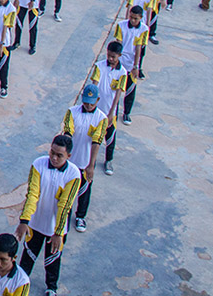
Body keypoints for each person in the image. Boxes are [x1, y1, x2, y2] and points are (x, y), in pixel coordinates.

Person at [16, 135, 81, 296]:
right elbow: (32, 195)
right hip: (35, 223)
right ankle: (19, 286)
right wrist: (25, 220)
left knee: (53, 259)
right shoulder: (38, 164)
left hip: (56, 227)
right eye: (52, 152)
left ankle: (51, 288)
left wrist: (58, 232)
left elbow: (65, 205)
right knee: (28, 256)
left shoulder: (74, 174)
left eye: (59, 155)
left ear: (68, 156)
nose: (54, 158)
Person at [63, 84, 107, 233]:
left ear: (98, 100)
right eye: (86, 102)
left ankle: (80, 216)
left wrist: (91, 165)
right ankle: (64, 214)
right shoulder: (72, 112)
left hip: (85, 161)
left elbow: (96, 142)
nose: (88, 106)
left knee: (84, 191)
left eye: (91, 103)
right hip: (70, 160)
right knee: (66, 190)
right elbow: (68, 132)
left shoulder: (101, 118)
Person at [89, 41, 127, 176]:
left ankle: (108, 160)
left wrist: (111, 113)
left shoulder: (122, 73)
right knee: (92, 135)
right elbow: (94, 85)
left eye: (113, 57)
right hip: (96, 108)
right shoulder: (99, 66)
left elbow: (118, 94)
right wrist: (91, 104)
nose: (110, 59)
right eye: (109, 55)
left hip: (110, 109)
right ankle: (90, 159)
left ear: (119, 56)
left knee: (110, 137)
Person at [113, 6, 148, 125]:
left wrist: (136, 66)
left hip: (131, 63)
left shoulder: (144, 29)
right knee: (115, 88)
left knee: (130, 89)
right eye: (131, 17)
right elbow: (118, 43)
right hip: (120, 61)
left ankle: (126, 113)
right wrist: (116, 61)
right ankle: (114, 112)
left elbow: (139, 48)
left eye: (135, 18)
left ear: (141, 18)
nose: (132, 20)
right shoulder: (121, 26)